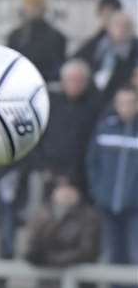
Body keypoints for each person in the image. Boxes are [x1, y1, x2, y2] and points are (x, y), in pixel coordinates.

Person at [86, 85, 138, 288]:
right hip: (107, 205)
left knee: (135, 252)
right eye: (121, 102)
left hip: (134, 207)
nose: (125, 107)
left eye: (130, 102)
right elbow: (92, 162)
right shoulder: (105, 127)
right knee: (113, 252)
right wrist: (99, 192)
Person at [22, 175, 101, 288]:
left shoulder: (89, 217)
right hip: (46, 287)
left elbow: (87, 251)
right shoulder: (42, 216)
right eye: (61, 188)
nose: (65, 193)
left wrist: (52, 260)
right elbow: (31, 252)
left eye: (69, 188)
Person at [35, 59, 102, 195]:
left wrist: (73, 174)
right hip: (48, 173)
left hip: (80, 177)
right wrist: (42, 166)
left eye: (79, 80)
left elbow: (92, 146)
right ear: (63, 81)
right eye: (71, 80)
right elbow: (37, 138)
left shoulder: (95, 108)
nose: (75, 84)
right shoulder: (49, 105)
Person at [72, 11, 136, 109]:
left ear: (131, 30)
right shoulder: (98, 43)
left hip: (118, 97)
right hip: (89, 93)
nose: (121, 29)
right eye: (117, 25)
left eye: (125, 26)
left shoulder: (135, 49)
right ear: (109, 27)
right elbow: (76, 59)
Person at [5, 0, 66, 83]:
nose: (32, 8)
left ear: (43, 8)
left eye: (36, 5)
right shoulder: (15, 36)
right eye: (29, 5)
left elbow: (57, 70)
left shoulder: (56, 37)